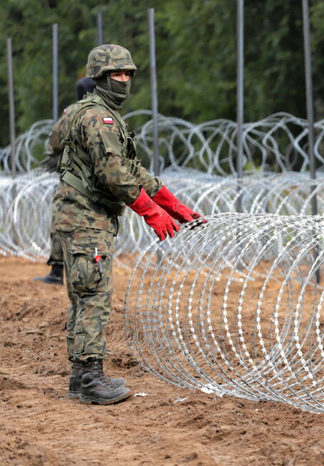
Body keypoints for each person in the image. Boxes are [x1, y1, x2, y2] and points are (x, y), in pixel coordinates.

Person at [53, 44, 204, 405]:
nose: (123, 80)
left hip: (86, 217)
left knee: (86, 295)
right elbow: (114, 175)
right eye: (115, 75)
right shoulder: (98, 119)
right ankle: (90, 378)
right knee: (93, 296)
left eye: (127, 74)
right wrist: (151, 213)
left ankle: (81, 377)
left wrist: (174, 206)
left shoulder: (103, 114)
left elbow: (132, 170)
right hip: (86, 218)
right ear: (99, 78)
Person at [34, 77, 96, 285]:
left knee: (62, 220)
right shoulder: (107, 111)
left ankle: (57, 271)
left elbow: (55, 139)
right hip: (101, 178)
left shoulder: (73, 112)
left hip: (75, 178)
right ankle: (94, 269)